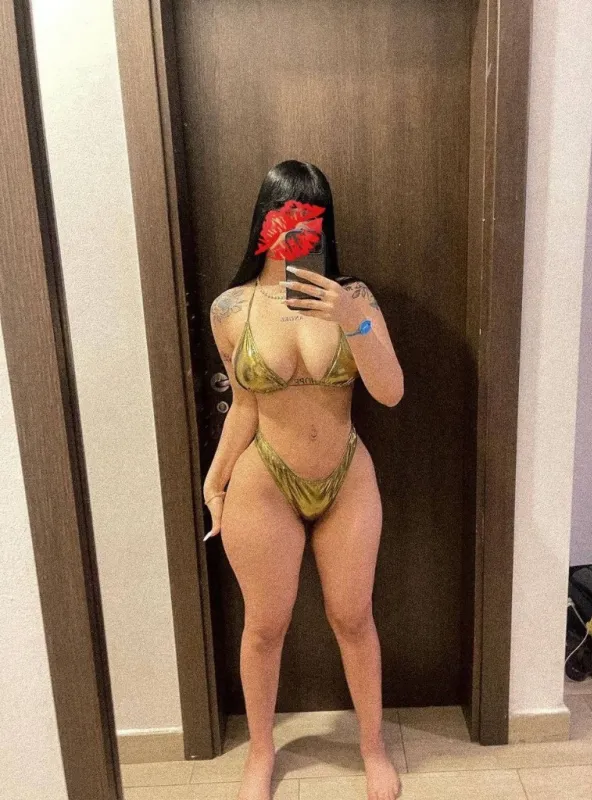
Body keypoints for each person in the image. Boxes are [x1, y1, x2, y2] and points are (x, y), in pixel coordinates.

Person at [204, 160, 404, 800]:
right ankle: (261, 753)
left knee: (353, 617)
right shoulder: (230, 308)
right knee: (264, 626)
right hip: (264, 481)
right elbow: (244, 405)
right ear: (264, 221)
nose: (295, 230)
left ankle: (373, 748)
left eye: (309, 217)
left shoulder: (354, 298)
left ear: (322, 225)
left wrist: (352, 319)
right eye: (283, 214)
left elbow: (390, 392)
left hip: (346, 476)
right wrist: (214, 479)